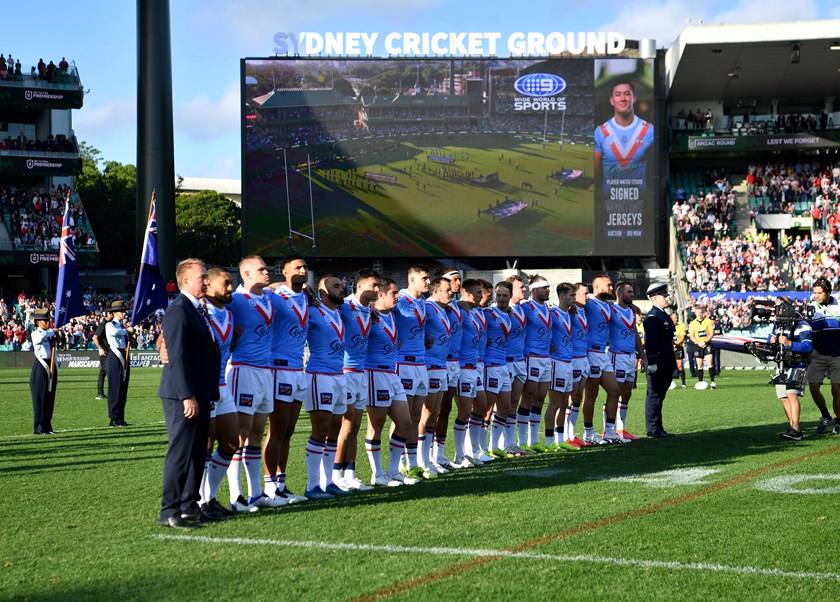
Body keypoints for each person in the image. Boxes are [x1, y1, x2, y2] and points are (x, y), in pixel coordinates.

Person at [158, 259, 222, 529]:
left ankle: (188, 506)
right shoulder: (179, 310)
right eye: (202, 277)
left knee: (197, 452)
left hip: (200, 393)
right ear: (186, 281)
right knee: (181, 452)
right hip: (182, 395)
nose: (207, 281)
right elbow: (178, 357)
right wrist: (187, 395)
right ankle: (169, 511)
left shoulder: (196, 309)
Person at [364, 277, 419, 486]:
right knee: (376, 425)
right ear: (381, 294)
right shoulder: (369, 315)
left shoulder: (393, 314)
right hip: (374, 373)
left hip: (393, 374)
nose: (398, 297)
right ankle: (377, 474)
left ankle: (393, 471)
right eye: (394, 293)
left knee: (405, 422)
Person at [303, 275, 351, 499]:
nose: (341, 289)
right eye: (335, 286)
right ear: (322, 292)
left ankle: (328, 481)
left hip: (338, 375)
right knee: (320, 429)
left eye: (341, 285)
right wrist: (304, 291)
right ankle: (312, 485)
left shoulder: (339, 311)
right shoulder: (312, 310)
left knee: (334, 430)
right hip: (319, 375)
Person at [335, 269, 379, 491]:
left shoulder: (369, 309)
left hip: (361, 373)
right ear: (360, 286)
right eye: (373, 285)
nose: (377, 289)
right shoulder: (344, 306)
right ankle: (336, 475)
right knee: (347, 425)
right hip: (345, 372)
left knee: (356, 427)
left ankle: (350, 474)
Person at [393, 264, 431, 479]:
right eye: (424, 278)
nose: (427, 282)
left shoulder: (422, 301)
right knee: (402, 418)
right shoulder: (400, 299)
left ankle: (413, 463)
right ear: (412, 280)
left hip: (421, 364)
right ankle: (396, 465)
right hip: (403, 364)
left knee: (416, 415)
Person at [594, 79, 654, 192]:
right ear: (612, 100)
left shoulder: (650, 131)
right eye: (618, 94)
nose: (622, 99)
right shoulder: (600, 132)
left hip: (641, 204)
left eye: (627, 94)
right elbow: (594, 170)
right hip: (608, 203)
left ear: (634, 98)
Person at [769, 299, 812, 441]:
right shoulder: (778, 324)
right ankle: (792, 427)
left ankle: (796, 429)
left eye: (778, 307)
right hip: (782, 363)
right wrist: (771, 340)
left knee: (792, 394)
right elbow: (770, 337)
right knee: (783, 396)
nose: (776, 310)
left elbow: (807, 347)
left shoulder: (803, 325)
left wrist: (789, 343)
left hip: (798, 364)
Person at [609, 281, 647, 441]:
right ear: (620, 294)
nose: (632, 295)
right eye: (629, 292)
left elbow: (635, 334)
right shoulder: (611, 309)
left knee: (627, 394)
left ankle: (621, 429)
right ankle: (608, 429)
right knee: (614, 393)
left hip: (631, 356)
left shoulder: (632, 313)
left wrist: (642, 355)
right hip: (617, 356)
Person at [519, 275, 553, 452]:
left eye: (548, 287)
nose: (548, 290)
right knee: (528, 397)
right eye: (544, 287)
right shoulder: (525, 307)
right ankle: (522, 440)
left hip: (546, 358)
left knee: (540, 398)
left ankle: (533, 440)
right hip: (531, 356)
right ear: (533, 290)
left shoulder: (548, 307)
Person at [643, 283, 677, 438]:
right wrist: (652, 362)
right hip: (659, 361)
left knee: (660, 396)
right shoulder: (652, 317)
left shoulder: (662, 315)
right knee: (654, 396)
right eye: (664, 296)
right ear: (655, 298)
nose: (666, 298)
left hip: (666, 360)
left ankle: (658, 427)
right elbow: (651, 341)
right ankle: (653, 429)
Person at [807, 278, 840, 434]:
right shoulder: (811, 308)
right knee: (813, 386)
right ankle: (825, 415)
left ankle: (838, 420)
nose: (816, 296)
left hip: (837, 354)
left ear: (828, 292)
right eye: (814, 293)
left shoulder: (839, 306)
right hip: (818, 354)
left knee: (836, 388)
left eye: (819, 293)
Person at [105, 300, 134, 427]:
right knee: (115, 388)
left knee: (123, 388)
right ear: (115, 313)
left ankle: (120, 417)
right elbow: (114, 333)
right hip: (115, 356)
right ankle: (113, 417)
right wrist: (127, 331)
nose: (124, 313)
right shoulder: (110, 325)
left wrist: (131, 335)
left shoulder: (122, 326)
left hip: (124, 355)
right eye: (122, 311)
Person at [30, 309, 57, 435]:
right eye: (45, 320)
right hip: (41, 367)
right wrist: (52, 332)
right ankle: (39, 426)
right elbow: (40, 337)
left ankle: (47, 425)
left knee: (49, 397)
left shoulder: (49, 334)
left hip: (51, 366)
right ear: (38, 322)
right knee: (40, 398)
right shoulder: (36, 333)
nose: (47, 322)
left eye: (48, 320)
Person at [689, 307, 716, 389]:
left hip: (707, 344)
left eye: (701, 312)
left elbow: (711, 333)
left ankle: (712, 381)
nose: (699, 314)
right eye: (698, 313)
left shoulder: (708, 321)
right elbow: (691, 336)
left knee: (709, 362)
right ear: (695, 313)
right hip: (698, 345)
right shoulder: (692, 323)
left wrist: (705, 342)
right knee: (699, 364)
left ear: (703, 312)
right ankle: (700, 381)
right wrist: (698, 343)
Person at [92, 309, 112, 400]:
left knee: (107, 372)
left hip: (108, 351)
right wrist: (101, 349)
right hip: (105, 352)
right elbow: (95, 337)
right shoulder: (103, 324)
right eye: (111, 313)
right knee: (103, 372)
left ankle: (103, 392)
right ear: (106, 314)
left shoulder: (108, 324)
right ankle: (100, 393)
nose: (112, 314)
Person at [670, 312, 687, 389]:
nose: (675, 319)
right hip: (669, 348)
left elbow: (682, 338)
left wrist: (675, 345)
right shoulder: (667, 327)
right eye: (674, 318)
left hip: (678, 348)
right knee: (669, 366)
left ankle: (683, 383)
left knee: (680, 366)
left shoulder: (681, 327)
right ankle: (670, 383)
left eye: (676, 318)